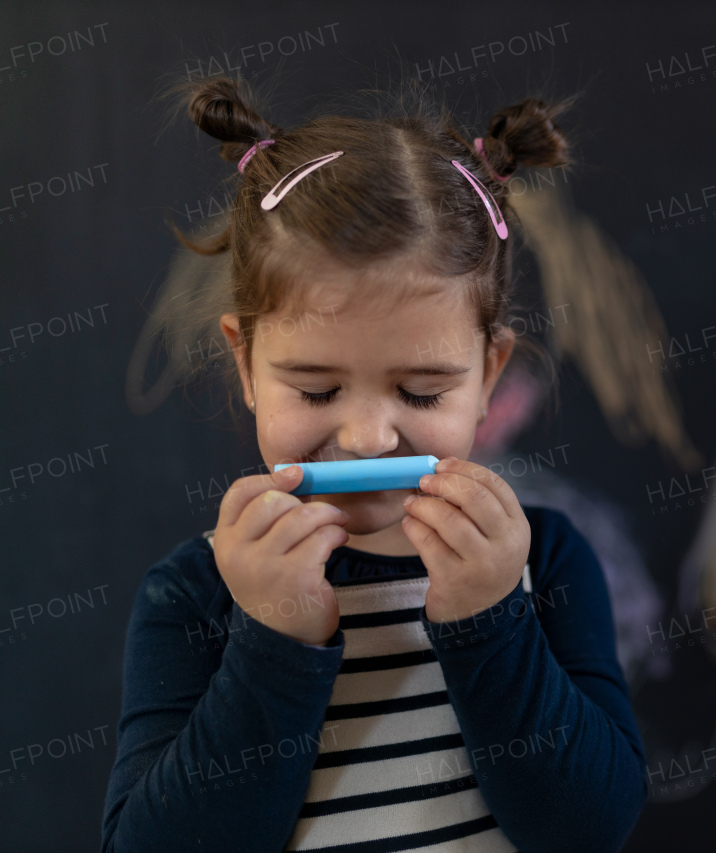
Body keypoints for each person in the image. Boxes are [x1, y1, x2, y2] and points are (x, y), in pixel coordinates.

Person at [101, 77, 646, 853]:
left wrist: (489, 620)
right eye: (316, 388)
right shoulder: (197, 593)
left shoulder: (545, 562)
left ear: (488, 376)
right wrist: (277, 640)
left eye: (421, 393)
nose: (365, 439)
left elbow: (589, 829)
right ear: (246, 362)